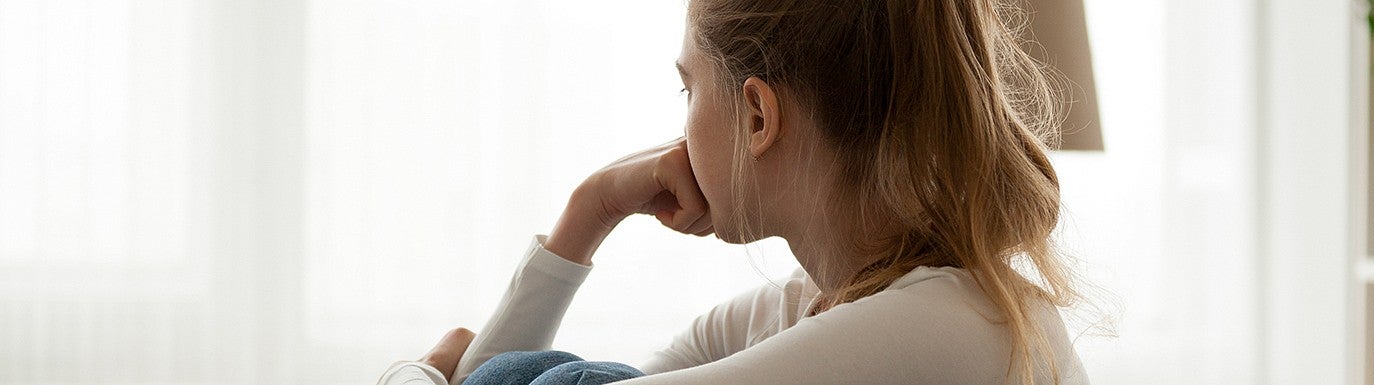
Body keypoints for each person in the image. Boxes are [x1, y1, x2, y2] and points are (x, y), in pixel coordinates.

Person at [376, 0, 1092, 383]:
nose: (678, 129)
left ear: (757, 115)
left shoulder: (954, 327)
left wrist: (414, 375)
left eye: (688, 88)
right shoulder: (799, 308)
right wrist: (591, 208)